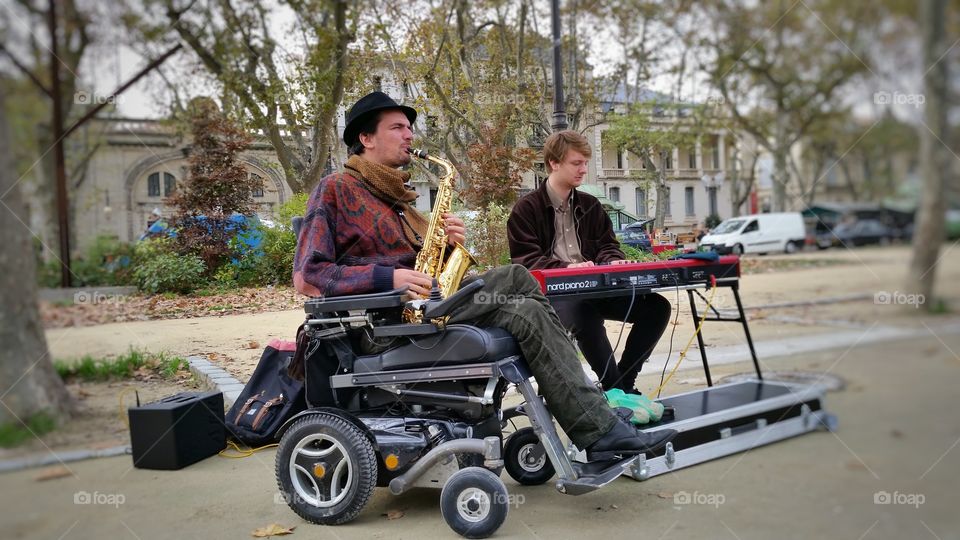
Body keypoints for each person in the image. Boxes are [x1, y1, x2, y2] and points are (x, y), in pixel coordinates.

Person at [293, 92, 675, 460]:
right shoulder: (335, 190)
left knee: (528, 311)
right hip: (386, 325)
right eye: (397, 127)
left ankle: (599, 432)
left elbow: (426, 270)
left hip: (431, 307)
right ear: (365, 138)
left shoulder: (398, 200)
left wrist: (445, 247)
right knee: (518, 277)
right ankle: (602, 410)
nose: (410, 135)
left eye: (409, 127)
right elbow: (308, 276)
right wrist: (387, 279)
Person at [507, 130, 672, 396]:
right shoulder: (526, 209)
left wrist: (614, 262)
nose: (584, 170)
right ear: (554, 163)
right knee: (584, 314)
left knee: (657, 307)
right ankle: (614, 389)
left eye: (586, 163)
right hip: (552, 296)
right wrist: (566, 269)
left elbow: (608, 245)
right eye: (576, 163)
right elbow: (526, 260)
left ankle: (624, 385)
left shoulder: (591, 205)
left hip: (594, 288)